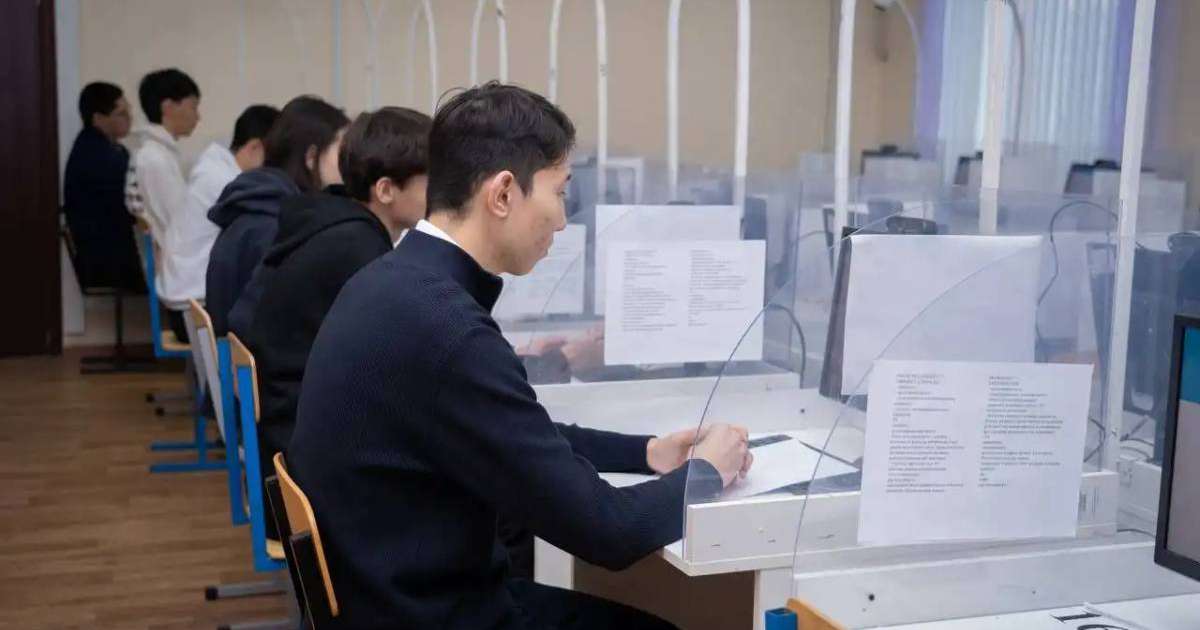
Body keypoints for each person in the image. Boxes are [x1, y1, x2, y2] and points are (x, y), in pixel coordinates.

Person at [287, 82, 753, 630]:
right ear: (503, 194)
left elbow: (517, 431)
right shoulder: (444, 328)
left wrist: (646, 452)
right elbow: (608, 531)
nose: (562, 219)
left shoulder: (393, 283)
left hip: (389, 596)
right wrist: (706, 474)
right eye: (559, 192)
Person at [239, 106, 431, 513]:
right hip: (310, 460)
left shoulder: (337, 224)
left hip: (288, 440)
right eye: (430, 181)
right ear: (385, 190)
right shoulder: (357, 249)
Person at [204, 95, 348, 337]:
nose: (348, 163)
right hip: (257, 367)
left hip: (235, 366)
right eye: (341, 152)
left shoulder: (256, 204)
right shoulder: (276, 225)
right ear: (312, 157)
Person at [157, 104, 280, 312]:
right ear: (255, 147)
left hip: (185, 295)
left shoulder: (214, 169)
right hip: (194, 306)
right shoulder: (228, 184)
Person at [128, 68, 201, 341]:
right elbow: (181, 225)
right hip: (179, 284)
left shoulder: (158, 154)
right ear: (168, 106)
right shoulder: (154, 159)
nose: (198, 116)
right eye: (193, 106)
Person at [63, 82, 142, 293]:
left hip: (112, 252)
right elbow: (132, 205)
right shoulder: (96, 156)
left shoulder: (110, 149)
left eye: (129, 112)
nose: (129, 118)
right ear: (98, 118)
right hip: (105, 260)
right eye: (121, 113)